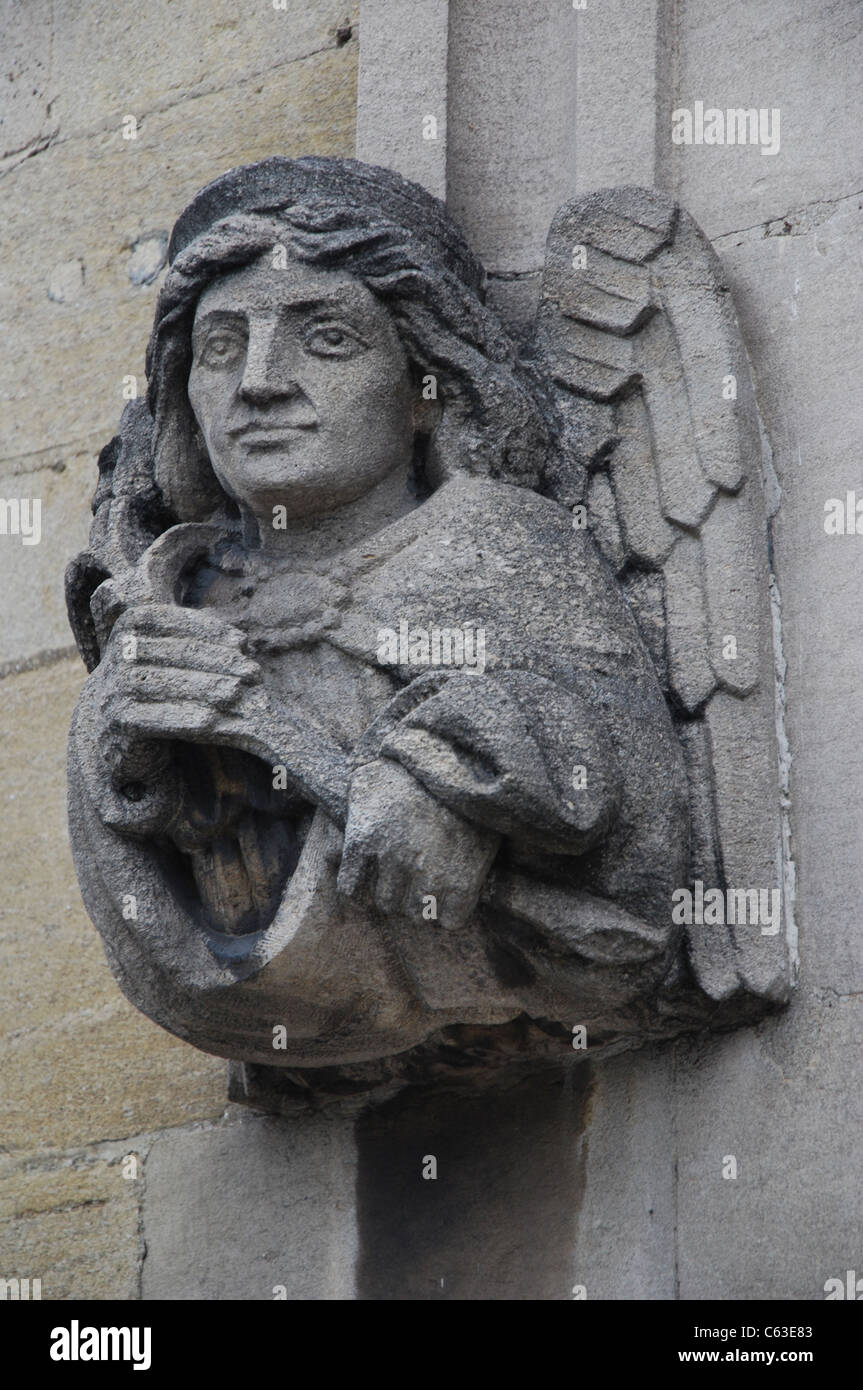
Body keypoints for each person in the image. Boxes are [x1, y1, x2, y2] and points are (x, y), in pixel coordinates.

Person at [66, 157, 688, 1068]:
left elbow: (622, 803)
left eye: (324, 338)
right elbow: (151, 849)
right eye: (222, 346)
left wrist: (445, 777)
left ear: (425, 387)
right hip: (278, 1000)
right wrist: (130, 749)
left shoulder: (494, 540)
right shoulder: (170, 588)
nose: (260, 384)